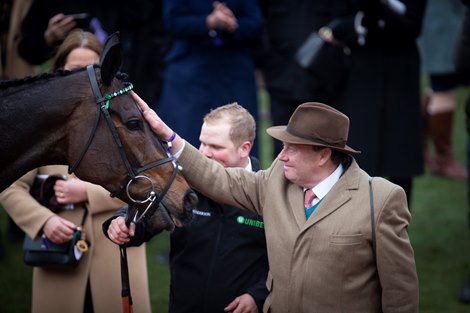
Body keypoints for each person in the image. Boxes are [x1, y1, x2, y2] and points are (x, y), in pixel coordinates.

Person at [127, 93, 419, 312]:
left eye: (292, 148)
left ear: (323, 155)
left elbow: (401, 293)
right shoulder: (276, 181)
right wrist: (169, 136)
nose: (281, 156)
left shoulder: (378, 199)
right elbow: (216, 179)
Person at [0, 30, 151, 313]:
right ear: (58, 73)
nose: (84, 78)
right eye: (73, 70)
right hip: (59, 254)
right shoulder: (40, 126)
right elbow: (9, 185)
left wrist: (87, 192)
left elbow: (147, 180)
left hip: (115, 252)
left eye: (92, 69)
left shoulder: (124, 119)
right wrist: (43, 221)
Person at [105, 103, 269, 313]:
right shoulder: (182, 185)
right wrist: (122, 222)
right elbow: (145, 216)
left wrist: (257, 295)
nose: (204, 153)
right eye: (202, 144)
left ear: (244, 148)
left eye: (216, 147)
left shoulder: (266, 192)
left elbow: (285, 261)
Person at [156, 0, 264, 157]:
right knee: (188, 141)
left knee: (239, 133)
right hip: (190, 72)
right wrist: (208, 22)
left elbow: (255, 22)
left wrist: (231, 24)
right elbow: (172, 21)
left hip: (234, 71)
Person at [419, 0, 469, 181]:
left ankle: (421, 148)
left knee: (438, 88)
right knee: (443, 89)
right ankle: (443, 159)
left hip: (439, 20)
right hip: (441, 22)